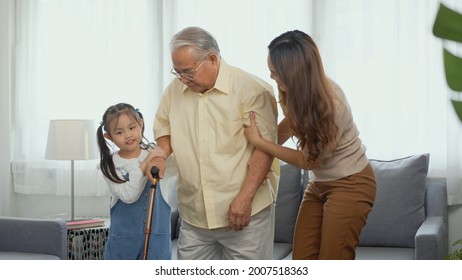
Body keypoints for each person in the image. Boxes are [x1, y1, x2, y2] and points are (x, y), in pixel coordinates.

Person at [146, 26, 279, 260]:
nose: (183, 80)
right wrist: (159, 154)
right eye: (177, 73)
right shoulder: (175, 90)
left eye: (188, 72)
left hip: (244, 214)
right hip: (195, 215)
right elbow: (164, 130)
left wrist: (245, 199)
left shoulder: (252, 90)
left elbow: (264, 149)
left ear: (212, 59)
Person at [244, 30, 377, 260]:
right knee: (302, 260)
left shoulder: (332, 106)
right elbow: (292, 123)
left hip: (351, 184)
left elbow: (308, 160)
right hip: (320, 184)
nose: (271, 76)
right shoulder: (294, 91)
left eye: (275, 73)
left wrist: (261, 143)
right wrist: (259, 154)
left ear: (293, 73)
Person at [97, 103, 171, 260]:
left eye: (132, 128)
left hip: (157, 241)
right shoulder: (109, 165)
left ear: (141, 124)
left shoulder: (156, 154)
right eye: (119, 132)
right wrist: (144, 164)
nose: (128, 135)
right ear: (109, 137)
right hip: (124, 243)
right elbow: (129, 196)